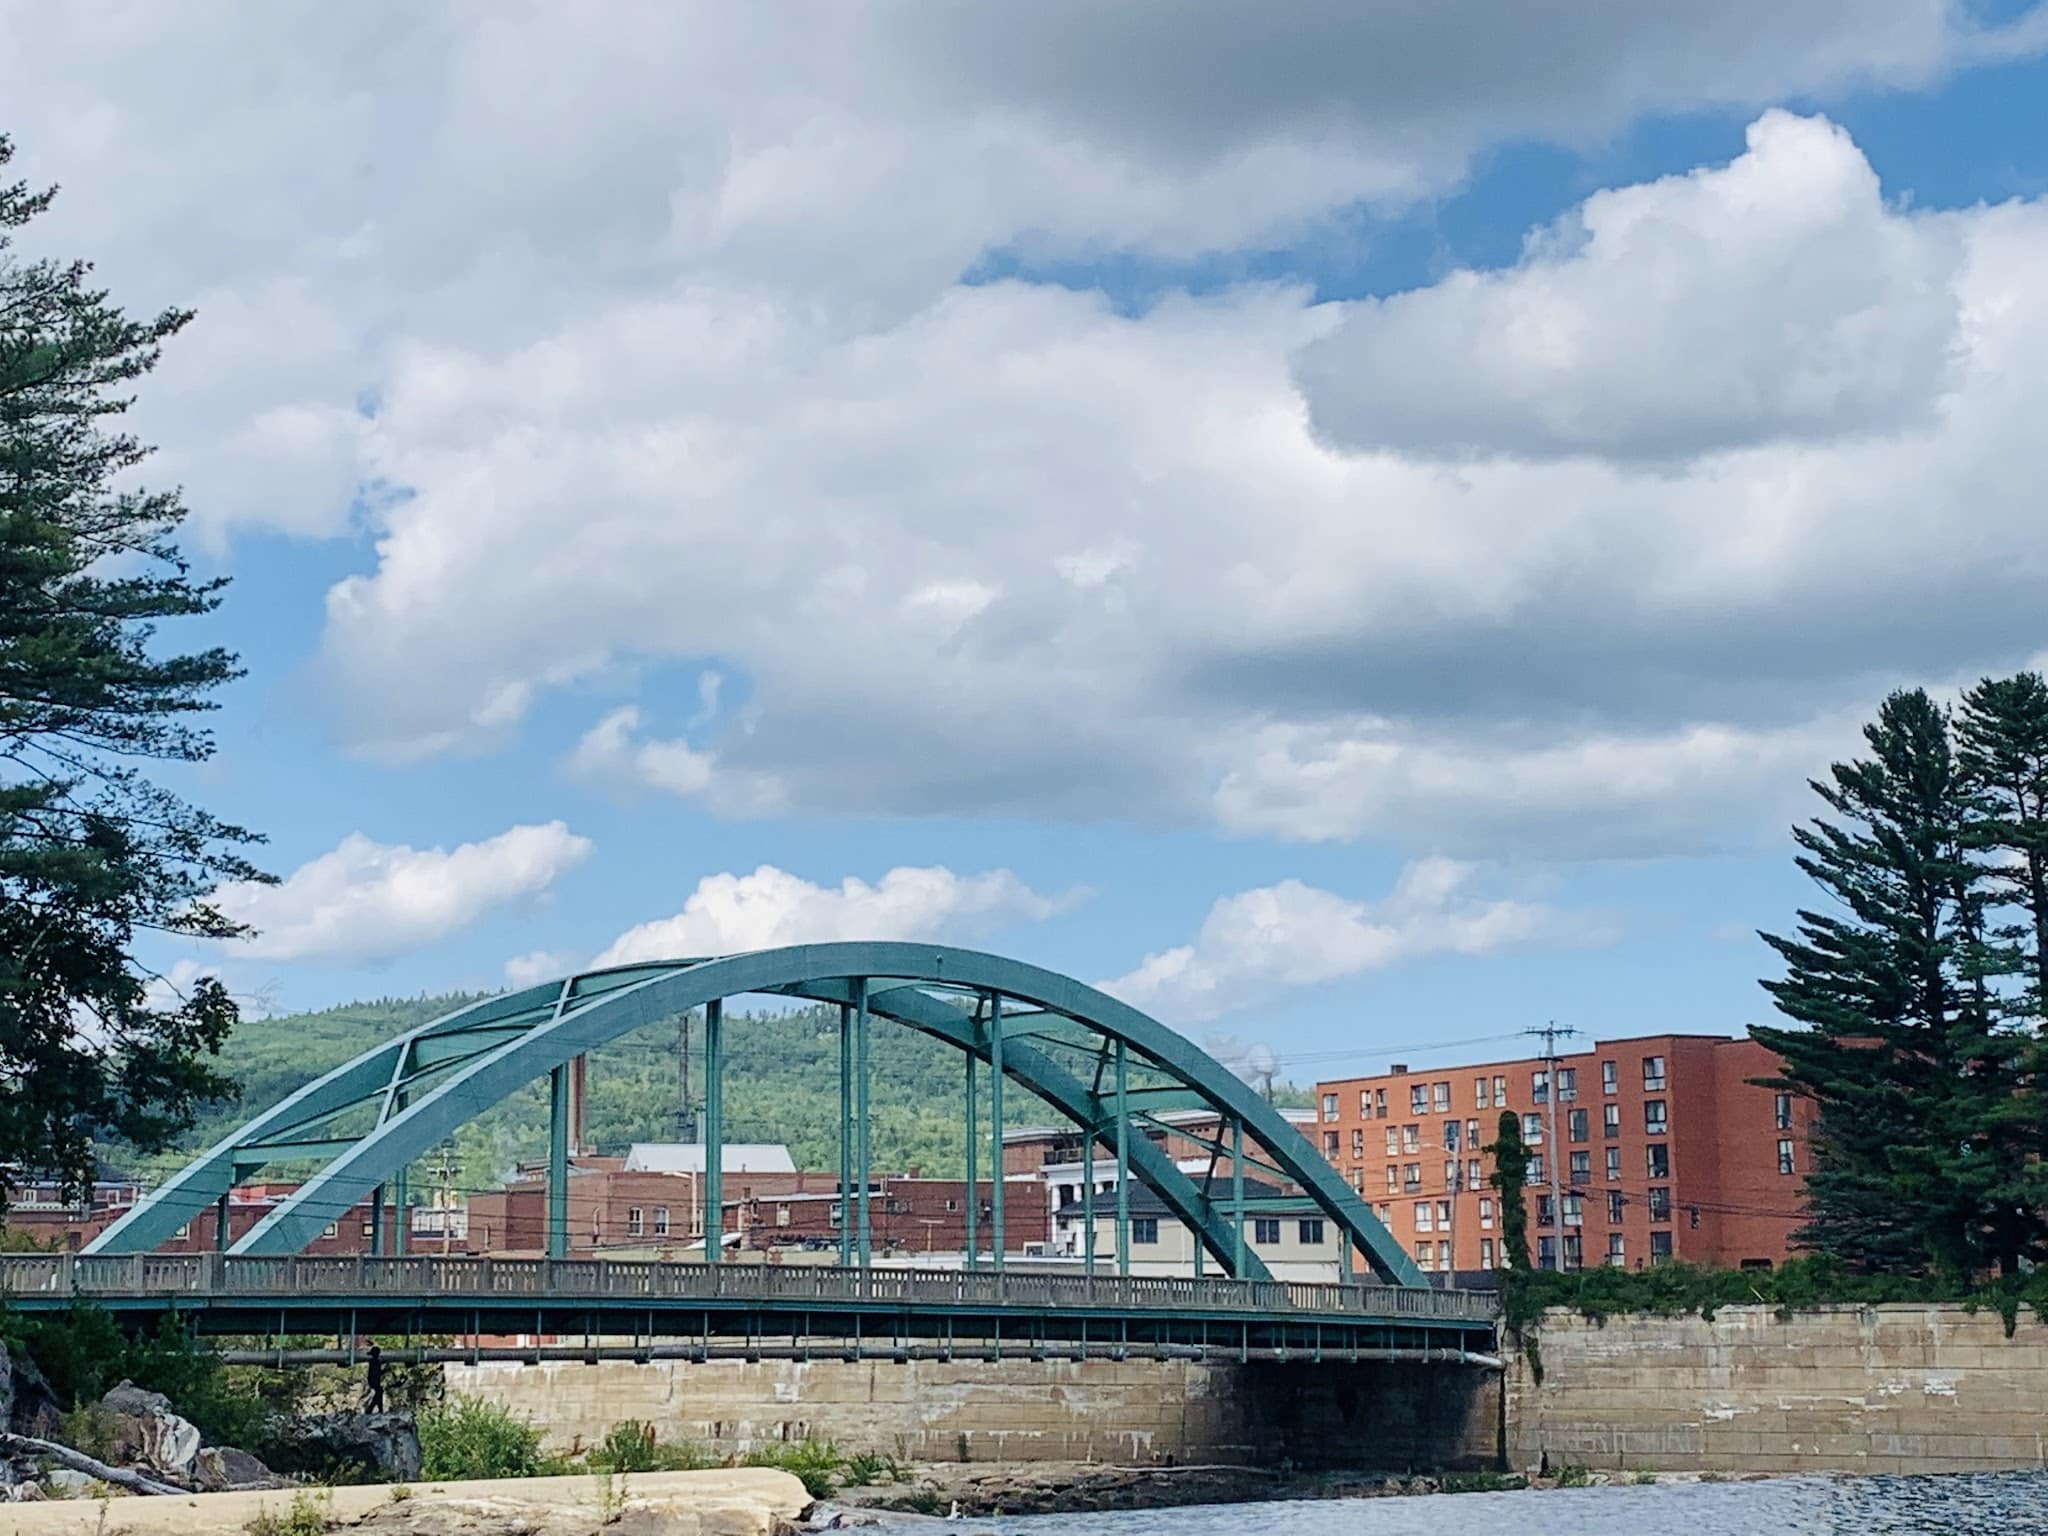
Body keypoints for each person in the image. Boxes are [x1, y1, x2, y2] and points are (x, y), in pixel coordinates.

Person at [364, 1343, 385, 1413]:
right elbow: (377, 1372)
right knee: (379, 1391)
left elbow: (377, 1372)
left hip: (373, 1379)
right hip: (374, 1380)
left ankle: (375, 1408)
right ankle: (376, 1408)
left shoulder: (373, 1361)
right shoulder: (375, 1361)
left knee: (379, 1392)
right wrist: (385, 1370)